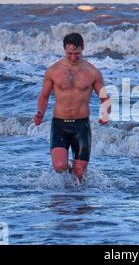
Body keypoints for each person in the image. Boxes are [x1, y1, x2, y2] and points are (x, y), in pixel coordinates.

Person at [34, 33, 110, 182]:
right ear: (64, 50)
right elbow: (44, 96)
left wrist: (105, 113)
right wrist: (40, 113)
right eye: (70, 54)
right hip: (59, 124)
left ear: (83, 49)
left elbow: (104, 97)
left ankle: (76, 196)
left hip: (81, 126)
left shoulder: (92, 72)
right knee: (59, 166)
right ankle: (69, 178)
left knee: (80, 175)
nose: (73, 57)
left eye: (77, 53)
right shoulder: (53, 71)